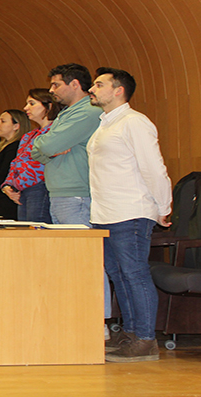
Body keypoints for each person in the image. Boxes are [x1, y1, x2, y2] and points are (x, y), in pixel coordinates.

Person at [87, 67, 171, 362]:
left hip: (130, 210)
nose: (92, 89)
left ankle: (147, 340)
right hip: (105, 212)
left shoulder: (135, 122)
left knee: (134, 274)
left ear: (118, 90)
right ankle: (132, 334)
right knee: (118, 274)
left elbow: (153, 166)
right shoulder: (104, 125)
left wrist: (163, 206)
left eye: (99, 84)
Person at [31, 63, 109, 325]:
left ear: (75, 84)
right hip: (62, 194)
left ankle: (96, 325)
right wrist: (47, 147)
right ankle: (79, 321)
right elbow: (36, 149)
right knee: (69, 262)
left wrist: (48, 146)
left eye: (56, 85)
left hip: (77, 195)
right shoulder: (67, 113)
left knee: (84, 263)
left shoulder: (87, 111)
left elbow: (48, 144)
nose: (52, 90)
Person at [1, 89, 63, 222]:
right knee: (25, 232)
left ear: (49, 106)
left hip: (40, 188)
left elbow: (41, 165)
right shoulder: (29, 135)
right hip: (22, 189)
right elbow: (16, 163)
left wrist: (17, 183)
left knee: (36, 232)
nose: (26, 108)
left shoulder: (56, 132)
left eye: (32, 103)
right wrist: (7, 185)